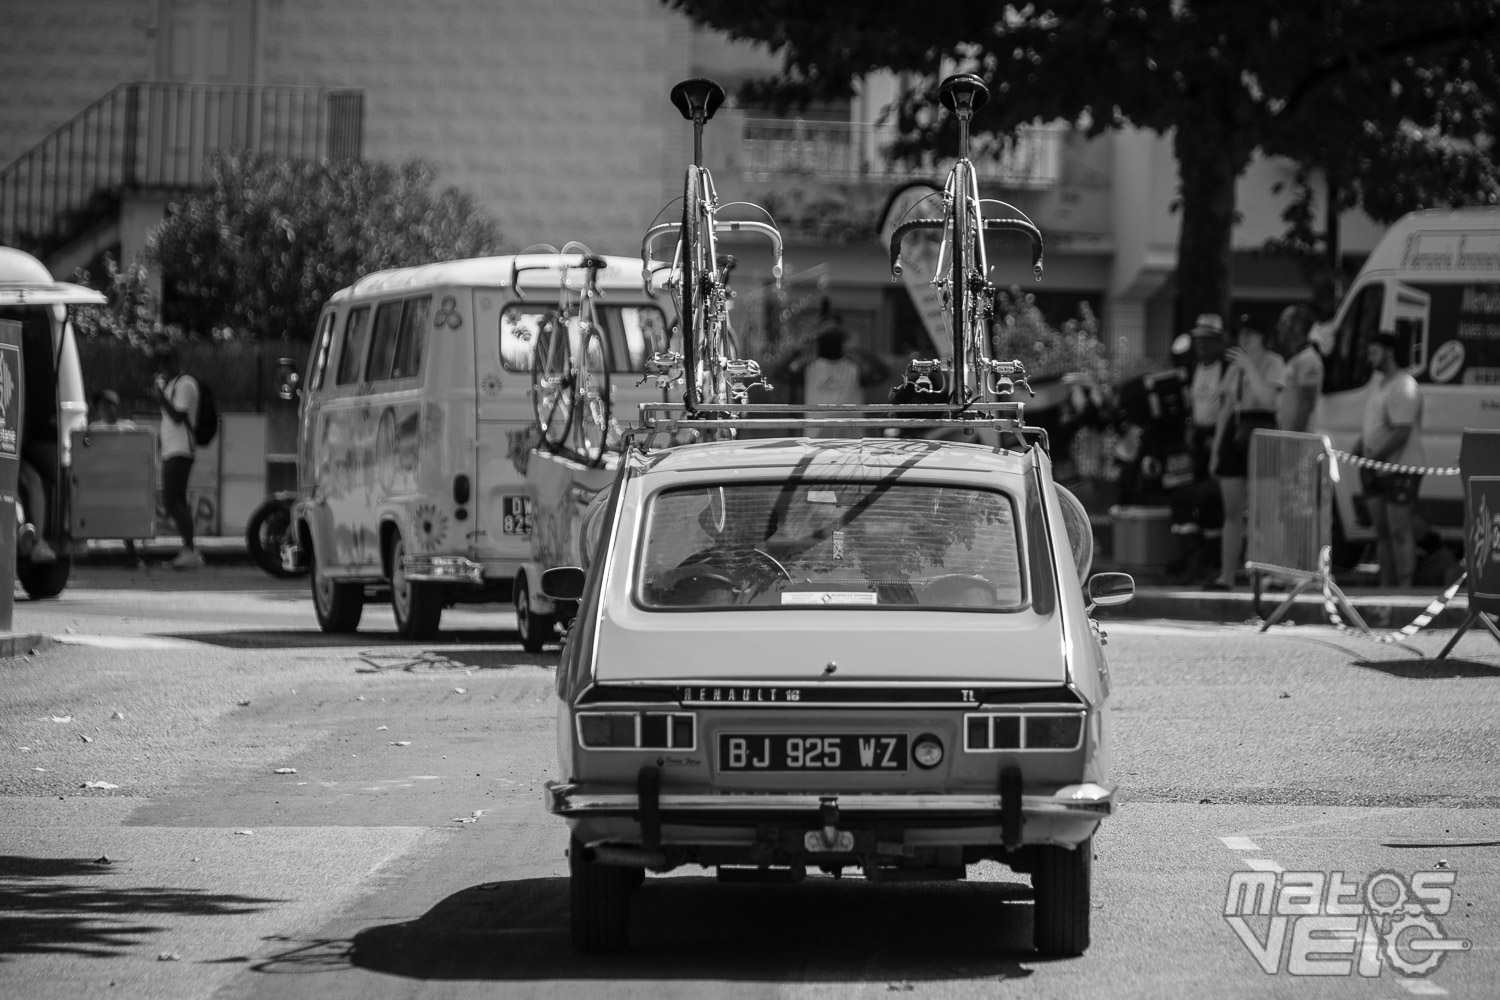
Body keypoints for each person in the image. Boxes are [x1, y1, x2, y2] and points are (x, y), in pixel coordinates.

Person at [1206, 315, 1285, 590]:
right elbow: (1226, 410)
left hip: (1262, 427)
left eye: (1252, 333)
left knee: (1264, 508)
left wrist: (1249, 366)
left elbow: (1268, 400)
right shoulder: (1234, 367)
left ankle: (1267, 575)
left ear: (1264, 337)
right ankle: (1226, 576)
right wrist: (1216, 450)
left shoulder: (1273, 362)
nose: (1245, 339)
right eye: (1242, 334)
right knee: (1232, 510)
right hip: (1236, 431)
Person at [1352, 330, 1426, 587]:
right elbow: (1377, 425)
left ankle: (1404, 590)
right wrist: (1361, 445)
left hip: (1400, 469)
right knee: (1382, 533)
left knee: (1399, 531)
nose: (1369, 357)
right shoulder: (1381, 384)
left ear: (1389, 352)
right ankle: (1386, 588)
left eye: (1374, 351)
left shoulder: (1404, 386)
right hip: (1376, 469)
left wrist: (1372, 457)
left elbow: (1401, 431)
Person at [773, 314, 890, 438]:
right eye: (826, 334)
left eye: (834, 333)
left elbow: (883, 373)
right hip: (816, 439)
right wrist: (797, 350)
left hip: (851, 441)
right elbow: (778, 374)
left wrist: (858, 350)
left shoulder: (854, 368)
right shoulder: (810, 368)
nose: (831, 339)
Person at [148, 344, 204, 569]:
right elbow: (168, 421)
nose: (163, 366)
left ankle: (190, 549)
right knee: (176, 499)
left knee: (173, 499)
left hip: (182, 449)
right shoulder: (172, 385)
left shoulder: (186, 383)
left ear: (175, 361)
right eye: (161, 361)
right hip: (171, 450)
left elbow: (178, 416)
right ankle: (189, 550)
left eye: (167, 360)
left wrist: (160, 398)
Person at [88, 389, 142, 566]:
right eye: (102, 405)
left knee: (126, 516)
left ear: (117, 406)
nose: (106, 408)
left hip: (123, 483)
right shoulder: (93, 429)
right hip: (101, 483)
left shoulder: (129, 427)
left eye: (109, 404)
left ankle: (132, 555)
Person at [1275, 304, 1323, 434]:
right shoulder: (1295, 358)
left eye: (1283, 323)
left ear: (1298, 326)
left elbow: (1306, 405)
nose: (1278, 327)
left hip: (1298, 440)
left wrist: (1294, 438)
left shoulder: (1308, 359)